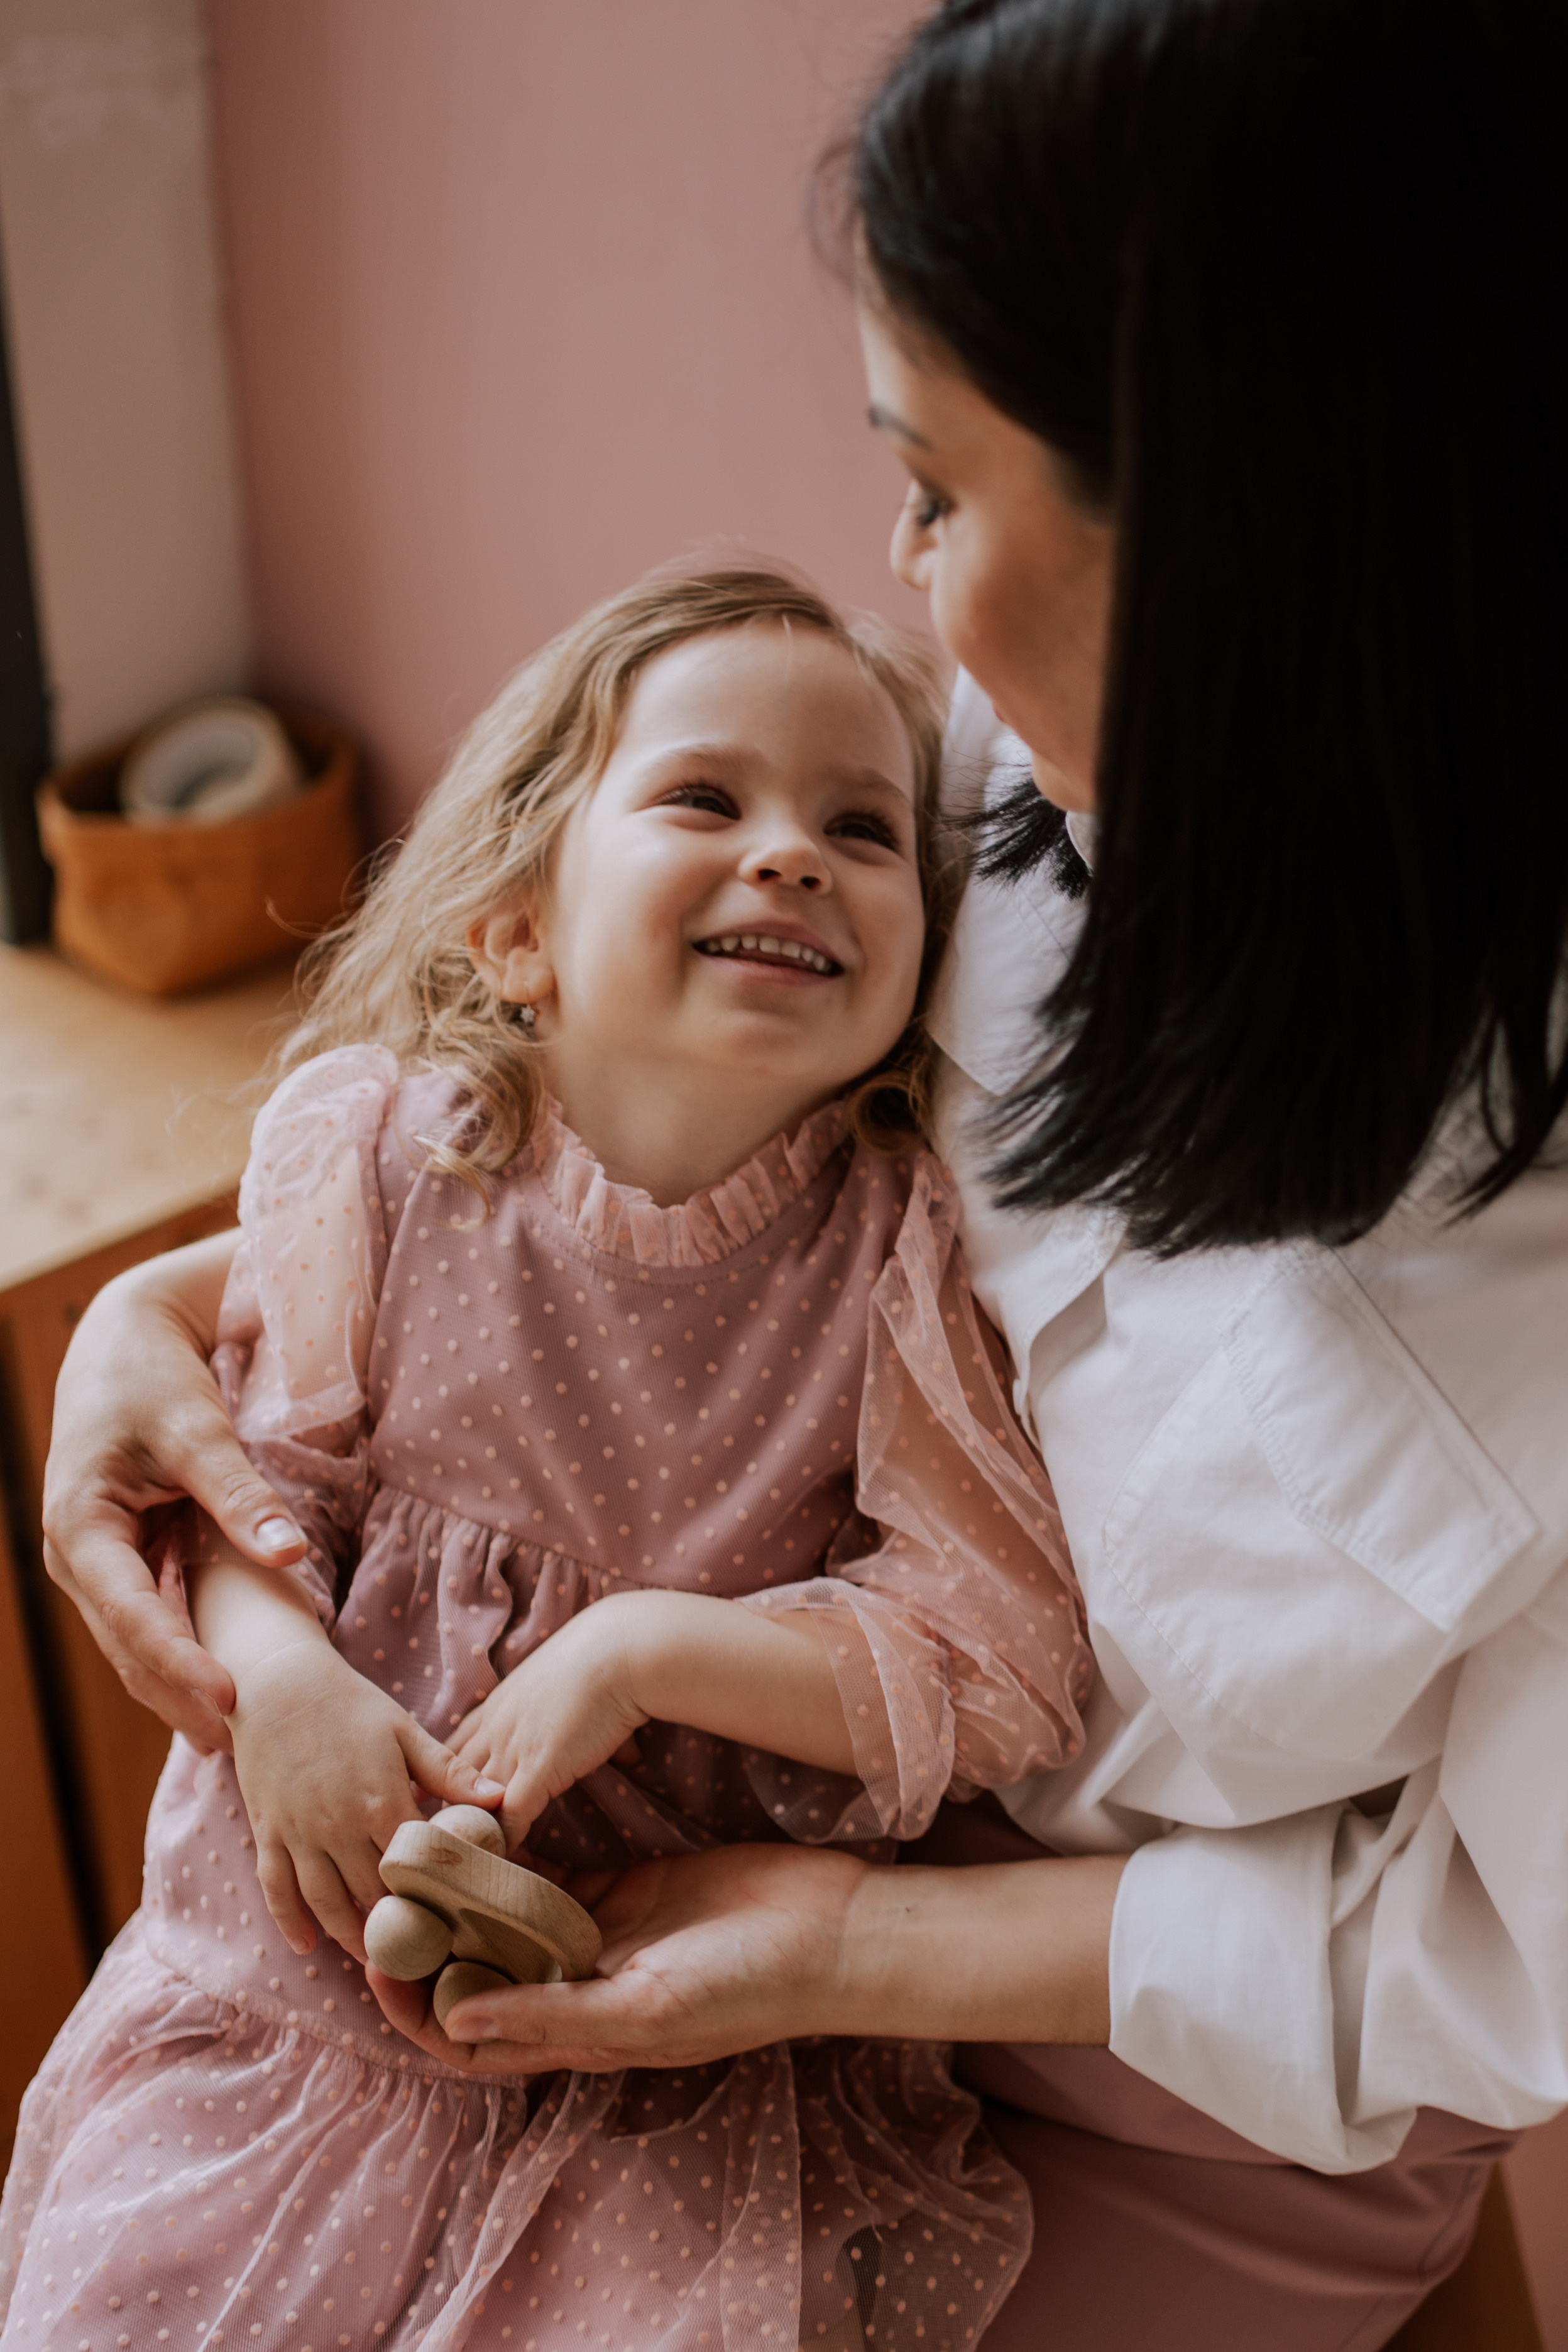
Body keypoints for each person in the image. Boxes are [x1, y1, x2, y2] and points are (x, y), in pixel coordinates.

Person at [26, 0, 1568, 2343]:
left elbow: (1482, 1959)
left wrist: (854, 1939)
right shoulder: (997, 804)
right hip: (661, 1951)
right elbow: (599, 1191)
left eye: (941, 491)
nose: (905, 581)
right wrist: (186, 1317)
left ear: (1263, 535)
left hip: (1172, 2074)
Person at [0, 566, 1096, 2352]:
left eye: (861, 827)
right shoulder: (370, 1165)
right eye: (702, 797)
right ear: (516, 923)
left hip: (667, 2085)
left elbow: (996, 1657)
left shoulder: (894, 1266)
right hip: (289, 2020)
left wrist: (644, 1648)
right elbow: (250, 1489)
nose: (793, 853)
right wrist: (283, 1687)